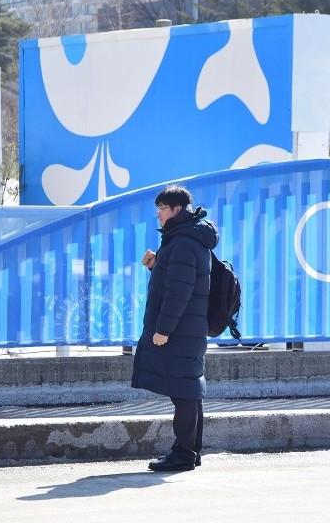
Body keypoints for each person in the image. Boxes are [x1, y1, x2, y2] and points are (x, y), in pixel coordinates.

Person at [131, 184, 218, 471]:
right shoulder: (187, 238)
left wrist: (163, 329)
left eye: (162, 209)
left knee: (183, 391)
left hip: (180, 329)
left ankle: (183, 452)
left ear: (177, 210)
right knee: (188, 389)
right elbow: (177, 279)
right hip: (188, 327)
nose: (158, 215)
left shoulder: (182, 242)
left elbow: (178, 292)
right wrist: (157, 264)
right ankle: (191, 450)